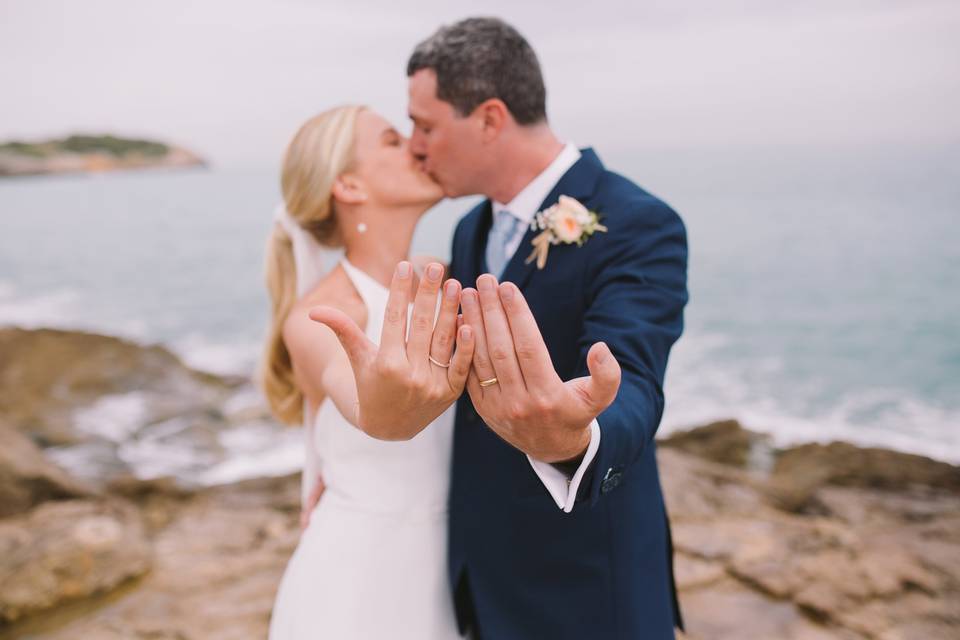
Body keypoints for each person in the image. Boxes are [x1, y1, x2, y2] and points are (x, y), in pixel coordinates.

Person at [315, 17, 689, 639]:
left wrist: (576, 436)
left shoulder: (638, 222)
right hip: (478, 581)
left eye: (426, 125)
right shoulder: (470, 231)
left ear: (489, 118)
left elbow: (634, 382)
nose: (414, 145)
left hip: (586, 592)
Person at [262, 105, 473, 639]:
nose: (418, 147)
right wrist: (386, 405)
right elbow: (375, 413)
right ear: (350, 185)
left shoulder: (446, 281)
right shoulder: (321, 316)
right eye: (391, 141)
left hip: (451, 571)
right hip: (358, 585)